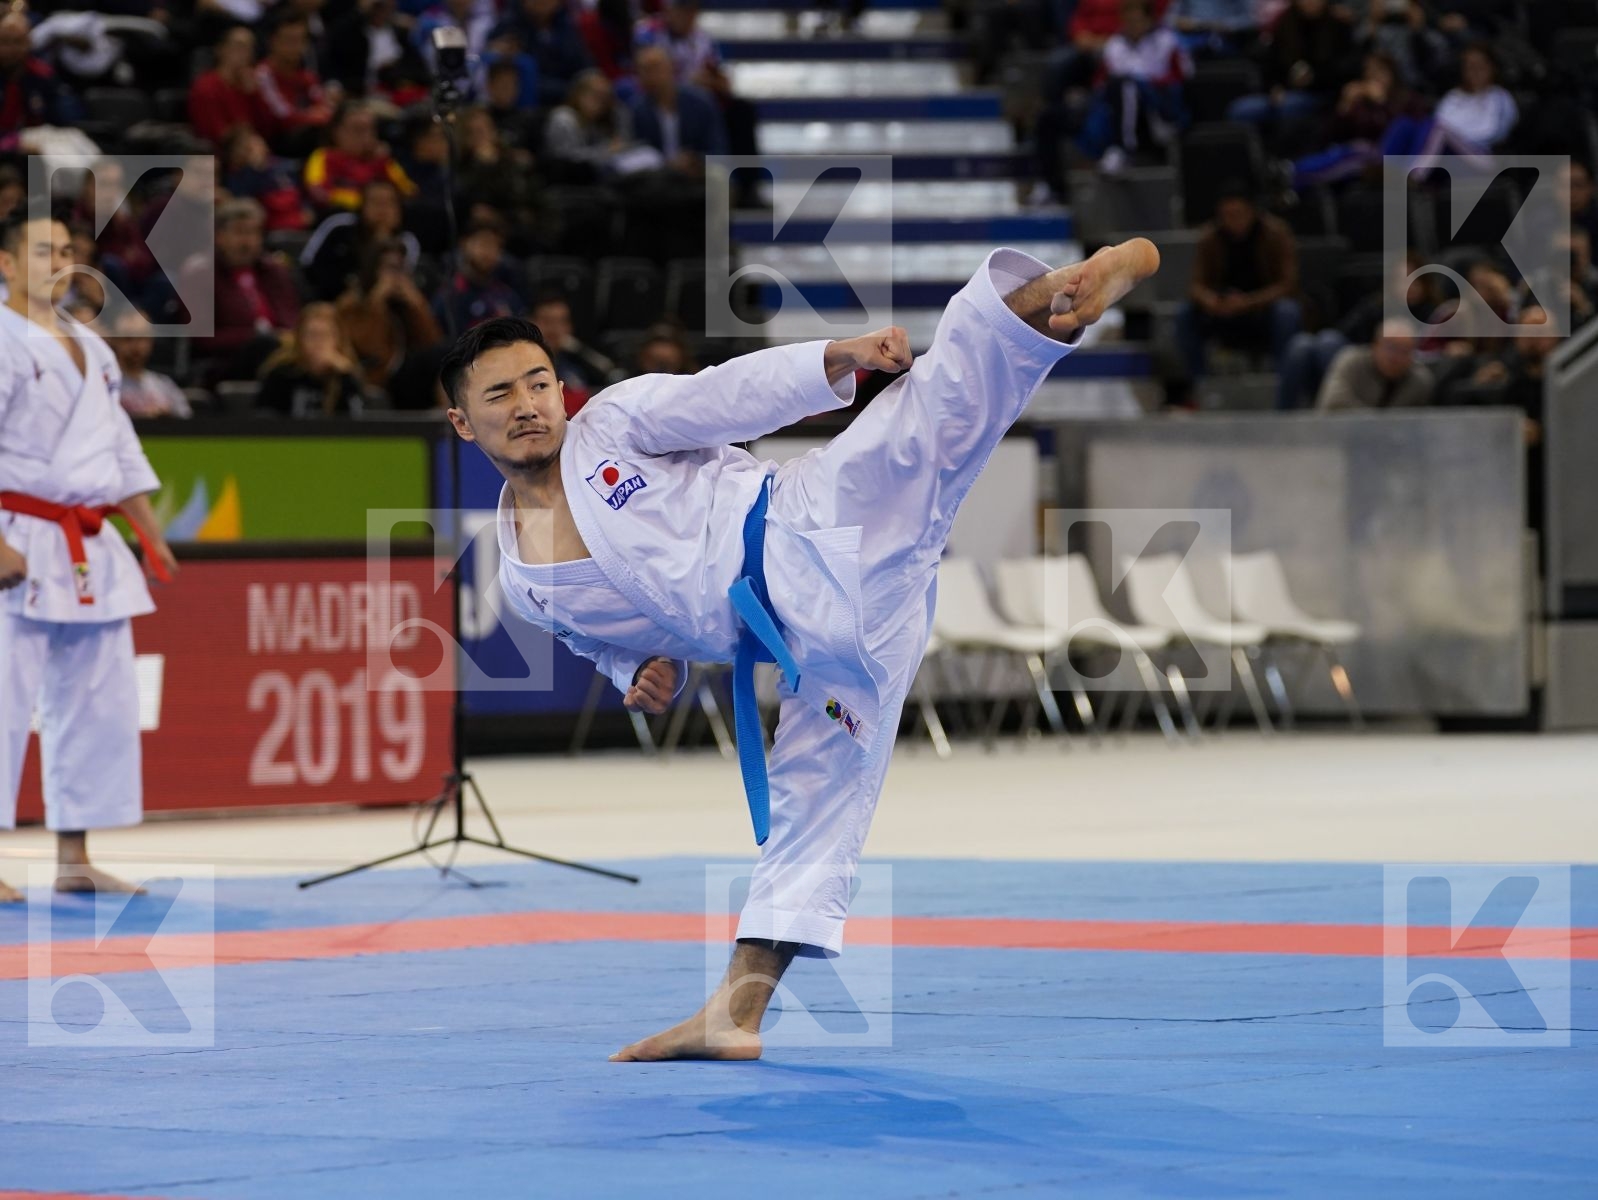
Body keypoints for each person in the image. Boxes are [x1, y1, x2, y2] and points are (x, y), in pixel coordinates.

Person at [443, 236, 1160, 1060]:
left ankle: (1065, 292)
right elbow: (599, 640)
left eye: (539, 382)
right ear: (463, 421)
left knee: (927, 420)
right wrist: (636, 669)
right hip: (817, 642)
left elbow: (726, 396)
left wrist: (837, 358)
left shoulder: (611, 423)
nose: (529, 404)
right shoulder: (524, 581)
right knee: (813, 807)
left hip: (804, 529)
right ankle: (735, 1016)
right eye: (501, 393)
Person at [0, 214, 180, 902]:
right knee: (3, 702)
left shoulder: (91, 346)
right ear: (7, 264)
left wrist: (148, 531)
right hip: (17, 532)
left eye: (66, 250)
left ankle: (75, 858)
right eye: (42, 250)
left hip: (88, 544)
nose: (58, 260)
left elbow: (117, 442)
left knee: (95, 704)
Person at [1176, 184, 1301, 383]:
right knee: (1185, 314)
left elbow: (1288, 284)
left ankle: (1283, 383)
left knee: (1287, 312)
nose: (1232, 220)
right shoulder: (1209, 237)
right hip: (1223, 310)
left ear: (1252, 211)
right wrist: (1211, 301)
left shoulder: (1276, 233)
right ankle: (1200, 385)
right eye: (1226, 215)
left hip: (1263, 310)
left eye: (1237, 214)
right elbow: (1196, 285)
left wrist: (1248, 302)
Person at [257, 302, 368, 417]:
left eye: (325, 334)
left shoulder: (347, 376)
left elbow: (357, 419)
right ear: (299, 338)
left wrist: (347, 375)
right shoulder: (282, 374)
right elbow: (264, 419)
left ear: (338, 339)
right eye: (312, 334)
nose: (319, 342)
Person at [303, 102, 417, 212]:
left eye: (371, 129)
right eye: (358, 129)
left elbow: (408, 191)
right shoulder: (324, 156)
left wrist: (384, 162)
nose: (366, 137)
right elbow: (319, 191)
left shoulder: (381, 160)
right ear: (336, 131)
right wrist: (363, 202)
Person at [1315, 318, 1434, 410]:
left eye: (1405, 351)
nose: (1396, 357)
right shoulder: (1351, 363)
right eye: (1391, 348)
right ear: (1375, 345)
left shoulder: (1420, 380)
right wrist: (1378, 425)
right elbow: (1333, 405)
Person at [188, 25, 267, 148]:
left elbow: (267, 130)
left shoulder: (250, 86)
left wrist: (254, 95)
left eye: (250, 48)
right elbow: (216, 135)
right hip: (219, 154)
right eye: (239, 46)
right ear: (220, 49)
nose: (244, 53)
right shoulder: (206, 86)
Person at [110, 308, 194, 418]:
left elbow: (187, 419)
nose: (136, 346)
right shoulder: (107, 385)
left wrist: (166, 415)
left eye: (142, 338)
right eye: (128, 339)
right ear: (115, 340)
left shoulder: (164, 385)